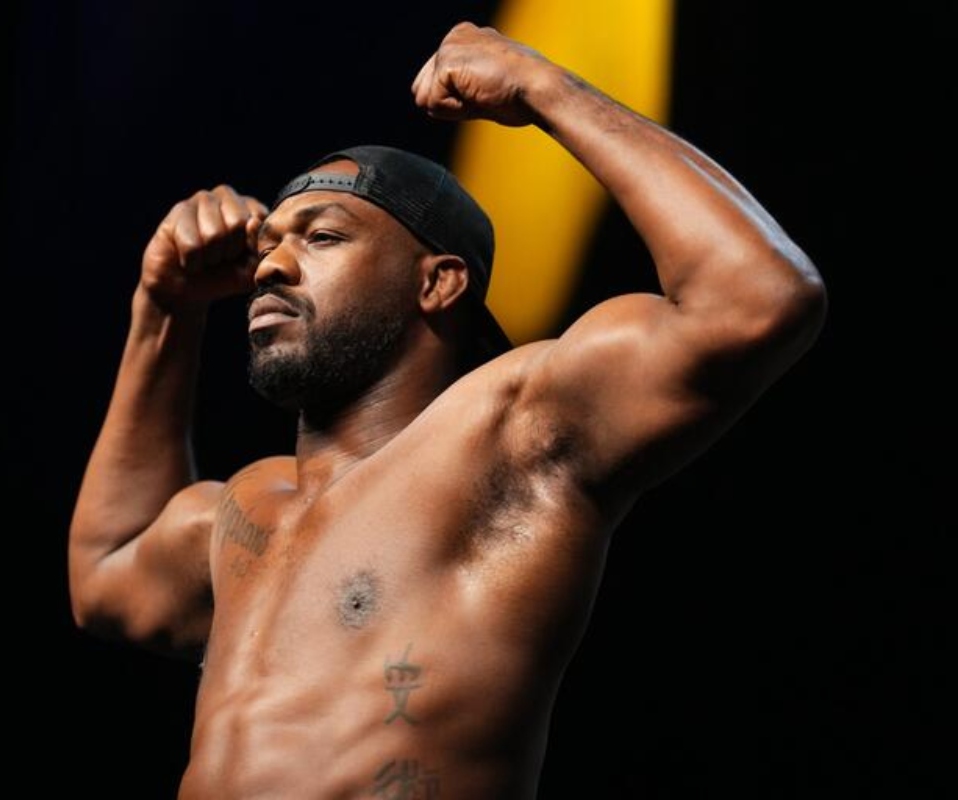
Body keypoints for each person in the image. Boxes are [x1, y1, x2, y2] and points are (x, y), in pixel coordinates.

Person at [67, 21, 826, 799]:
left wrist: (544, 85)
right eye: (267, 248)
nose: (272, 266)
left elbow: (756, 297)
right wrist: (165, 307)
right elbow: (106, 572)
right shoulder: (246, 508)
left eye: (322, 237)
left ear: (438, 283)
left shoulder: (510, 432)